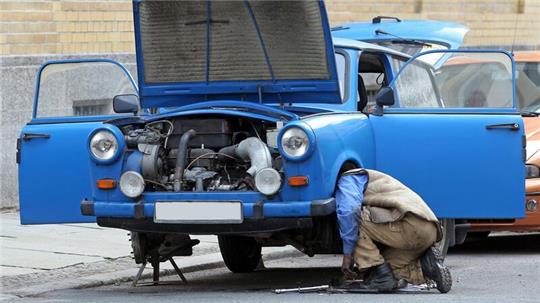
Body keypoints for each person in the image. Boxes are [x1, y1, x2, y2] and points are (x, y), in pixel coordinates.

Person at [335, 168, 452, 293]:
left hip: (410, 224)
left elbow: (350, 211)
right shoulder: (375, 178)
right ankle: (425, 267)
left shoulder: (348, 179)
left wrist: (348, 254)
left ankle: (382, 277)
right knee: (386, 270)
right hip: (430, 229)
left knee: (352, 222)